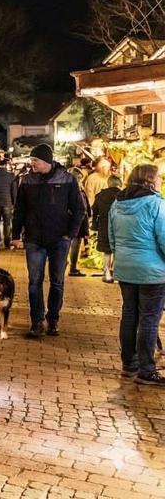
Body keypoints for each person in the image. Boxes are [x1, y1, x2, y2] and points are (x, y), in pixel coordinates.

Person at [11, 143, 86, 338]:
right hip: (34, 239)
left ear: (46, 160)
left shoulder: (67, 180)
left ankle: (53, 319)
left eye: (35, 160)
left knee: (57, 281)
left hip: (59, 239)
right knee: (34, 281)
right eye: (31, 160)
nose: (32, 163)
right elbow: (19, 210)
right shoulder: (26, 181)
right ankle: (37, 321)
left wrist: (70, 234)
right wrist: (15, 235)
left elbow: (79, 209)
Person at [108, 164, 165, 385]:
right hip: (153, 271)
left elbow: (112, 238)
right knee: (149, 320)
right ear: (150, 180)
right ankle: (146, 370)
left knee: (129, 316)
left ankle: (128, 364)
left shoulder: (117, 204)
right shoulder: (156, 204)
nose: (161, 181)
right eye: (159, 177)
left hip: (126, 269)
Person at [92, 175, 122, 283]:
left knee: (107, 250)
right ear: (119, 183)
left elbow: (94, 210)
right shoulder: (122, 195)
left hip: (104, 225)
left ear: (108, 183)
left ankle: (107, 273)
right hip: (119, 225)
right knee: (118, 249)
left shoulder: (100, 195)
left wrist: (94, 225)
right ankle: (116, 272)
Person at [67, 167, 91, 277]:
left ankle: (70, 266)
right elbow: (82, 208)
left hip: (76, 221)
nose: (81, 179)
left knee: (73, 244)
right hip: (76, 221)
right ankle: (72, 267)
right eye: (80, 177)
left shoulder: (75, 188)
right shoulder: (75, 190)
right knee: (74, 245)